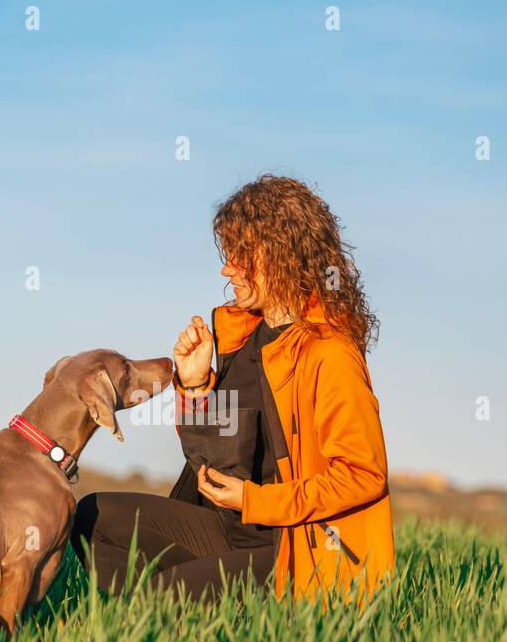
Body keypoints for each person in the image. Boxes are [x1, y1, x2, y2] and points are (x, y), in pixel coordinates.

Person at [71, 174, 394, 603]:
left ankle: (162, 615)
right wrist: (194, 386)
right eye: (229, 254)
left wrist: (257, 501)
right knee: (94, 518)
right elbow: (220, 457)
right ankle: (136, 615)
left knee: (162, 599)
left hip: (296, 551)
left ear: (283, 255)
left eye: (242, 256)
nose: (227, 269)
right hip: (232, 528)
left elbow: (362, 476)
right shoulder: (245, 339)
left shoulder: (329, 352)